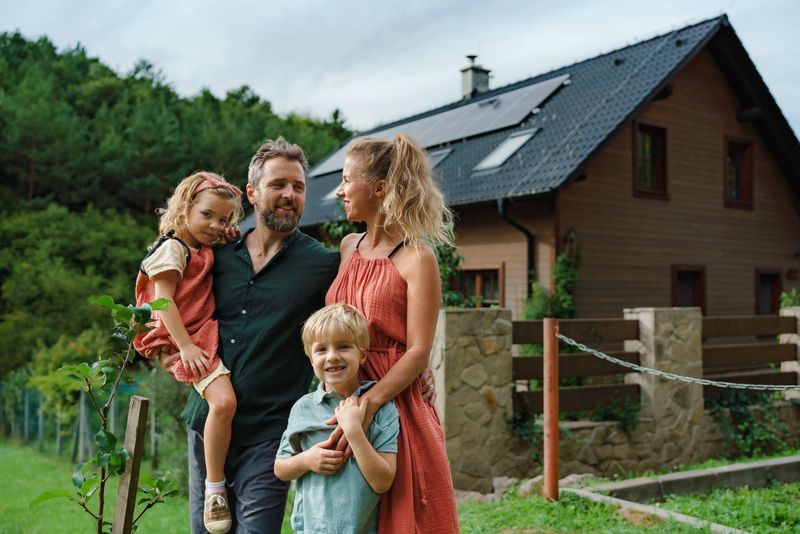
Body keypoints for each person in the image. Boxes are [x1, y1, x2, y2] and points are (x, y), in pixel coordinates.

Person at [162, 138, 340, 533]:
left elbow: (356, 320)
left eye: (298, 186)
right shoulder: (212, 256)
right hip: (206, 424)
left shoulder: (323, 264)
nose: (289, 195)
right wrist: (167, 350)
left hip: (270, 431)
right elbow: (162, 300)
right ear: (253, 192)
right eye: (278, 184)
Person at [325, 134, 460, 533]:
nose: (340, 189)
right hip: (343, 395)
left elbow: (419, 351)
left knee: (404, 517)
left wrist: (369, 404)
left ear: (380, 188)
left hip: (395, 405)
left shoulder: (417, 257)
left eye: (348, 179)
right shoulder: (349, 246)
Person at [134, 171, 244, 533]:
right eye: (207, 215)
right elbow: (162, 301)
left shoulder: (200, 244)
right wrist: (183, 346)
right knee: (224, 403)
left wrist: (227, 234)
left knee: (223, 403)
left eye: (224, 219)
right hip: (186, 336)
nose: (215, 225)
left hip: (199, 332)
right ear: (184, 209)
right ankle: (215, 490)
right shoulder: (173, 248)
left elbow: (216, 237)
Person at [275, 303, 399, 534]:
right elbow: (281, 468)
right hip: (310, 529)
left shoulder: (383, 409)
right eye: (321, 350)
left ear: (362, 355)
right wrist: (306, 460)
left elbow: (383, 482)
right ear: (310, 358)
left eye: (343, 347)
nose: (332, 357)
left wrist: (353, 431)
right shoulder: (303, 408)